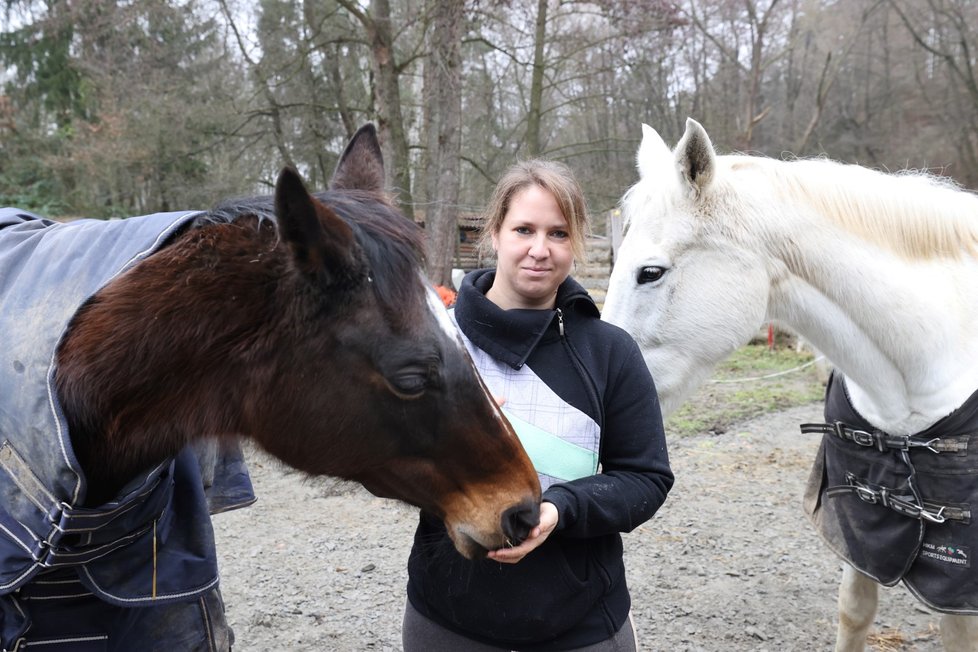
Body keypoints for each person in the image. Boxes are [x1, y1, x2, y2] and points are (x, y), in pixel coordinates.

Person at [402, 160, 674, 651]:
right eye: (523, 229)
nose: (539, 249)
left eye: (558, 233)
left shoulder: (611, 352)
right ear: (495, 233)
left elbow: (646, 478)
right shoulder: (434, 342)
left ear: (577, 243)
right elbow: (378, 464)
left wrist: (560, 509)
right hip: (448, 622)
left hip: (583, 625)